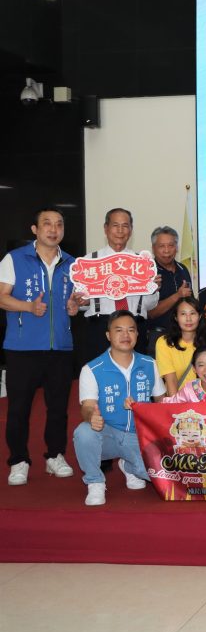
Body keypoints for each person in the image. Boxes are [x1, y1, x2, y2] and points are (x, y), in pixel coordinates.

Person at [0, 206, 80, 485]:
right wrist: (28, 306)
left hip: (60, 347)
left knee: (58, 408)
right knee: (18, 409)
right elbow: (1, 297)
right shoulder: (14, 259)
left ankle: (55, 455)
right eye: (47, 223)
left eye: (59, 224)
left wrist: (75, 307)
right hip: (22, 348)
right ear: (35, 229)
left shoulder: (72, 263)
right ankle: (18, 460)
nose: (53, 229)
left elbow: (75, 302)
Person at [73, 310, 166, 506]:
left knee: (160, 475)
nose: (126, 335)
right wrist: (91, 417)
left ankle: (130, 466)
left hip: (139, 436)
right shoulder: (92, 369)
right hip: (108, 434)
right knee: (84, 432)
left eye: (131, 330)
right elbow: (87, 407)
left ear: (137, 334)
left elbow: (162, 402)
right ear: (108, 335)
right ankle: (95, 481)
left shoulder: (149, 364)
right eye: (119, 330)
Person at [80, 208, 158, 362]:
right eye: (115, 225)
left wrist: (152, 288)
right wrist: (83, 301)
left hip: (134, 327)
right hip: (100, 327)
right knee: (100, 373)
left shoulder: (143, 262)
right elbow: (80, 302)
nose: (120, 231)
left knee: (135, 372)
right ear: (106, 228)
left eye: (125, 226)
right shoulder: (90, 260)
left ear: (131, 230)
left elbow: (150, 305)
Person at [155, 296, 206, 397]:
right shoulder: (164, 343)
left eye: (192, 313)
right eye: (183, 314)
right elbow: (171, 381)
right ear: (176, 317)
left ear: (200, 316)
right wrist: (177, 404)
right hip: (179, 400)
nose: (188, 319)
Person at [146, 226, 193, 353]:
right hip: (158, 336)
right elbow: (151, 312)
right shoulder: (148, 272)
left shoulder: (183, 269)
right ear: (153, 248)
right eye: (161, 246)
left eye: (171, 245)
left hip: (184, 335)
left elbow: (191, 302)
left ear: (176, 247)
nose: (166, 250)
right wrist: (177, 295)